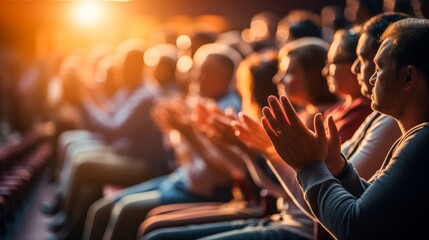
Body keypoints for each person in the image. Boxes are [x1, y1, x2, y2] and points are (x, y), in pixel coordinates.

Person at [261, 18, 429, 239]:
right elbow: (373, 205)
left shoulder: (424, 140)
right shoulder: (415, 135)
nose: (371, 78)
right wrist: (339, 169)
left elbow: (354, 227)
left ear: (408, 77)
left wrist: (309, 166)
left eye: (379, 67)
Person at [82, 43, 243, 240]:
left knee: (125, 210)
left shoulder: (228, 110)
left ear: (224, 77)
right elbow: (181, 156)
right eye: (197, 69)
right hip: (181, 180)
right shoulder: (201, 101)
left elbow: (224, 174)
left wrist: (188, 134)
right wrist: (173, 129)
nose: (196, 77)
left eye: (205, 71)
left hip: (201, 193)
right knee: (102, 209)